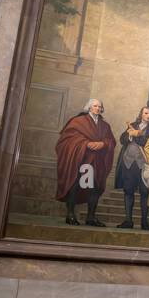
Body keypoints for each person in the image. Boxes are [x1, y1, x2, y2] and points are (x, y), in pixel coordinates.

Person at [54, 97, 115, 227]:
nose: (98, 108)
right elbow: (66, 140)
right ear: (89, 107)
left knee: (95, 188)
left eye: (99, 107)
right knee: (75, 186)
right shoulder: (78, 121)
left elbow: (111, 141)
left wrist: (102, 144)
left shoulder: (105, 125)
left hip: (98, 162)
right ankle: (70, 215)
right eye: (95, 106)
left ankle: (91, 217)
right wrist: (85, 144)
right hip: (82, 160)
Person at [115, 106, 149, 230]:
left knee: (145, 192)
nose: (148, 115)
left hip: (144, 165)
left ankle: (144, 222)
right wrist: (130, 135)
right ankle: (128, 220)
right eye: (146, 113)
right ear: (141, 114)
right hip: (129, 163)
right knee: (128, 191)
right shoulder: (132, 125)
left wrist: (137, 136)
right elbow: (122, 139)